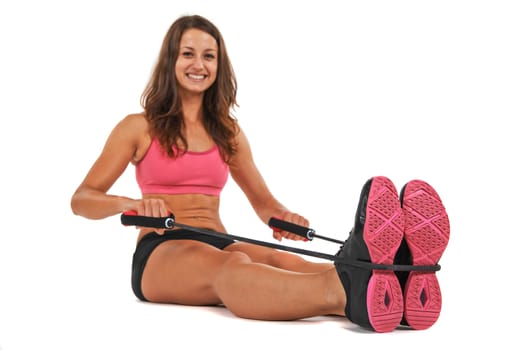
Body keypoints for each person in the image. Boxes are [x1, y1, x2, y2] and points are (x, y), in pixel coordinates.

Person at [70, 14, 450, 333]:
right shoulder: (138, 127)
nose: (198, 65)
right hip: (161, 251)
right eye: (187, 54)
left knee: (290, 262)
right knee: (232, 268)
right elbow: (82, 199)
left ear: (219, 66)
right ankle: (349, 289)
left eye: (209, 56)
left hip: (217, 238)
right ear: (170, 61)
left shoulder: (227, 131)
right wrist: (134, 203)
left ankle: (384, 290)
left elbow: (264, 204)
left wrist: (283, 218)